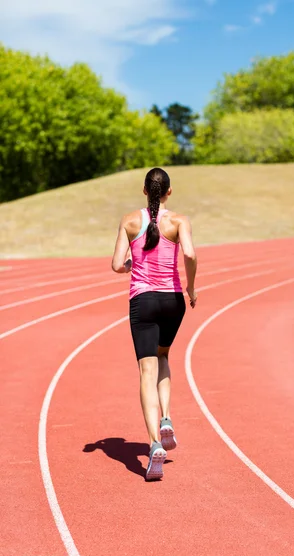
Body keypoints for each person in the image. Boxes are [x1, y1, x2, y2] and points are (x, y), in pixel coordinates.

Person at [112, 167, 197, 481]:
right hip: (173, 302)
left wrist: (133, 265)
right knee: (163, 357)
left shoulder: (130, 221)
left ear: (144, 191)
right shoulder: (179, 221)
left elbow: (116, 264)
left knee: (147, 369)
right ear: (169, 192)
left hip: (143, 302)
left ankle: (153, 443)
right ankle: (166, 417)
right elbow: (188, 252)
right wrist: (191, 287)